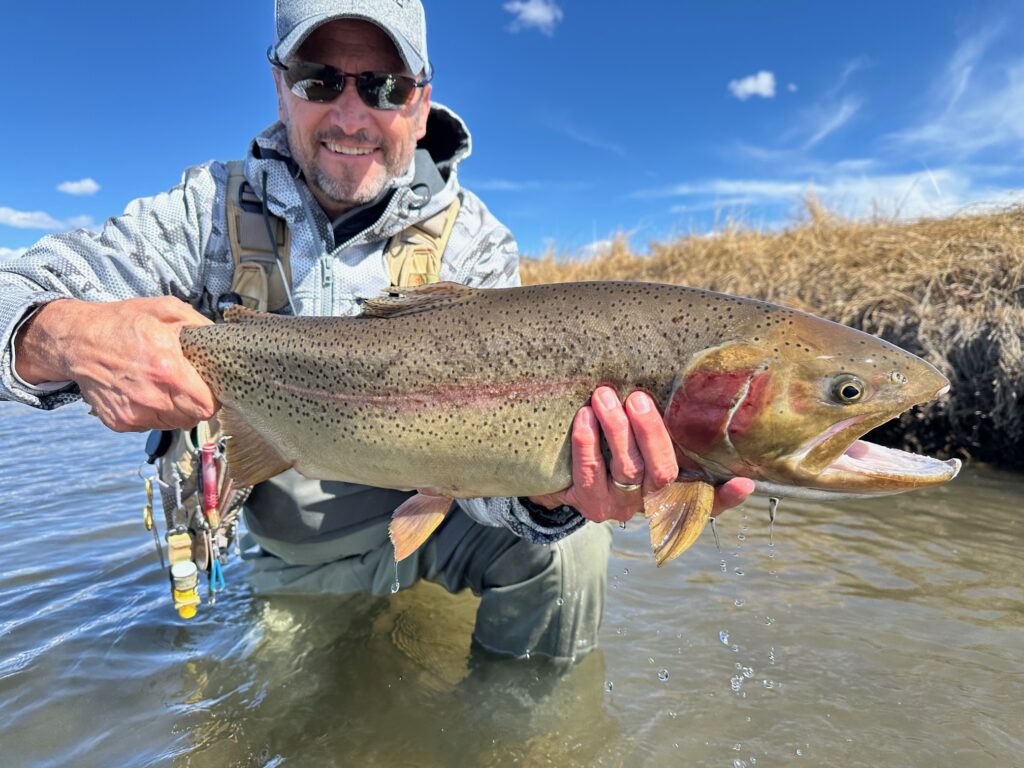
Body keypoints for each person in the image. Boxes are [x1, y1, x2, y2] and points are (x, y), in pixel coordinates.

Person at [0, 0, 752, 663]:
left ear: (421, 104)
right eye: (320, 81)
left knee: (574, 550)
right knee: (282, 727)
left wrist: (556, 498)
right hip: (292, 554)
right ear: (280, 87)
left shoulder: (476, 244)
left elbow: (500, 487)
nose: (352, 115)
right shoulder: (205, 215)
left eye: (385, 87)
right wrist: (60, 335)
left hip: (449, 526)